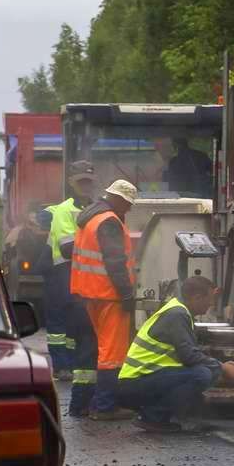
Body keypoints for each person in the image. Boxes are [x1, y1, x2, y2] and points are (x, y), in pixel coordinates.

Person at [120, 276, 234, 433]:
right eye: (210, 300)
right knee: (202, 374)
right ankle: (153, 417)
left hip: (142, 380)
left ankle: (162, 414)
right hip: (134, 384)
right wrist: (222, 367)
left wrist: (220, 365)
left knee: (207, 370)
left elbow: (191, 351)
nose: (211, 304)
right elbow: (189, 356)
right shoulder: (177, 315)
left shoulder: (179, 311)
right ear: (197, 298)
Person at [70, 179, 140, 421]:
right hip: (109, 295)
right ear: (118, 199)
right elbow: (115, 262)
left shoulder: (90, 217)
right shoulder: (109, 221)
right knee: (111, 352)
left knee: (96, 350)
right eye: (128, 204)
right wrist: (127, 294)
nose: (129, 209)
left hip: (89, 293)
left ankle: (81, 404)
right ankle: (105, 406)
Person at [38, 162, 96, 399]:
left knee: (75, 323)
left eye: (88, 181)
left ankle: (71, 363)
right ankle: (62, 365)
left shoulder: (96, 207)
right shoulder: (63, 210)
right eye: (80, 181)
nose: (85, 185)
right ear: (71, 182)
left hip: (83, 272)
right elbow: (67, 248)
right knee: (59, 323)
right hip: (62, 271)